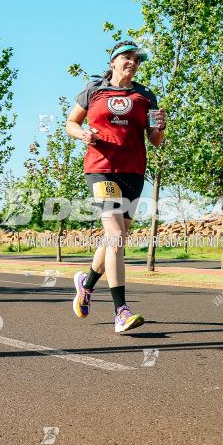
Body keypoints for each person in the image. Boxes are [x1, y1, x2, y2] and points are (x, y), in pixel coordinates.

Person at [66, 40, 166, 333]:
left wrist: (160, 127)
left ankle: (86, 284)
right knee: (116, 235)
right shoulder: (93, 90)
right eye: (127, 57)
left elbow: (155, 140)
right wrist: (82, 134)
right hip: (101, 169)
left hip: (133, 172)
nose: (132, 63)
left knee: (114, 239)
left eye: (137, 59)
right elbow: (70, 122)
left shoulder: (145, 95)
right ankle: (121, 311)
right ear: (113, 61)